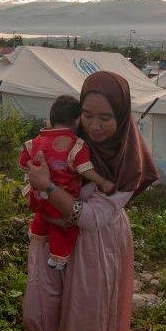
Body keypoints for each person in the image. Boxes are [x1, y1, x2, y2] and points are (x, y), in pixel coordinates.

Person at [23, 72, 159, 331]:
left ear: (123, 115)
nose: (95, 126)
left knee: (84, 326)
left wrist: (48, 190)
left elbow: (93, 219)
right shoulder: (71, 139)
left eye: (105, 117)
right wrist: (39, 186)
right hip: (54, 238)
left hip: (98, 248)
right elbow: (42, 167)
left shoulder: (128, 161)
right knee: (40, 312)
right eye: (88, 115)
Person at [19, 95, 114, 270]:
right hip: (61, 202)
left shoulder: (36, 142)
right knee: (63, 230)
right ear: (77, 120)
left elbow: (24, 163)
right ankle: (58, 259)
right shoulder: (76, 145)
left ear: (52, 118)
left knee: (42, 219)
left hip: (38, 198)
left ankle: (37, 234)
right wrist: (103, 181)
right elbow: (85, 169)